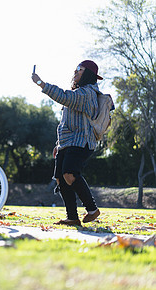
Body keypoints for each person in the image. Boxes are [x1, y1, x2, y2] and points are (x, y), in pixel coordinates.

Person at [31, 60, 102, 226]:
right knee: (60, 179)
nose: (75, 72)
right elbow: (66, 123)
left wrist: (41, 83)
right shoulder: (79, 92)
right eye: (76, 69)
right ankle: (72, 218)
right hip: (67, 142)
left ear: (88, 74)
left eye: (80, 69)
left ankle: (92, 209)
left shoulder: (87, 93)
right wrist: (59, 144)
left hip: (81, 141)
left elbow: (63, 96)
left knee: (70, 174)